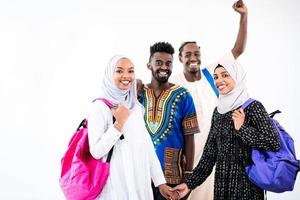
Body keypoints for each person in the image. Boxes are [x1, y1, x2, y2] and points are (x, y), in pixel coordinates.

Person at [171, 53, 280, 200]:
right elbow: (210, 155)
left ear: (236, 76)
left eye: (225, 75)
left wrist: (242, 129)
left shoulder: (253, 107)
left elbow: (273, 143)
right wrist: (189, 184)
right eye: (216, 77)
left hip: (248, 187)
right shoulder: (219, 112)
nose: (219, 80)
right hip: (222, 186)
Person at [169, 1, 248, 199]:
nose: (193, 57)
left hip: (217, 153)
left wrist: (243, 16)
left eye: (197, 53)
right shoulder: (174, 83)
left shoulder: (213, 74)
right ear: (180, 59)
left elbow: (237, 49)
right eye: (188, 54)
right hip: (187, 156)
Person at [88, 55, 178, 200]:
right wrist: (118, 124)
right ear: (110, 74)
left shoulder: (135, 107)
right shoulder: (100, 107)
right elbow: (96, 151)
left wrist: (160, 183)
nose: (126, 76)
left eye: (131, 71)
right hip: (116, 186)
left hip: (139, 183)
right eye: (119, 71)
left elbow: (146, 145)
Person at [138, 42, 200, 200]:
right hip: (141, 174)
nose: (164, 67)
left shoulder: (183, 95)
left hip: (172, 175)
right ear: (149, 65)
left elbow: (189, 137)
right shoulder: (138, 94)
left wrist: (188, 175)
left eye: (168, 63)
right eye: (158, 63)